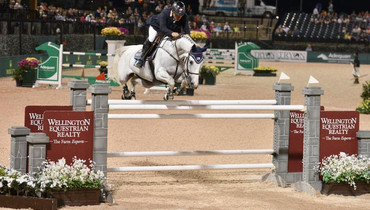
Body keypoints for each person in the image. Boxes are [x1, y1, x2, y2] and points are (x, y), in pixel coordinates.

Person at [134, 1, 190, 68]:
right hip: (156, 27)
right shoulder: (165, 13)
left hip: (170, 29)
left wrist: (190, 40)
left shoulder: (184, 16)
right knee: (151, 38)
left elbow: (186, 30)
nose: (179, 18)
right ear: (172, 11)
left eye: (180, 16)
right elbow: (163, 28)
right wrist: (172, 33)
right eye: (177, 15)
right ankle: (141, 57)